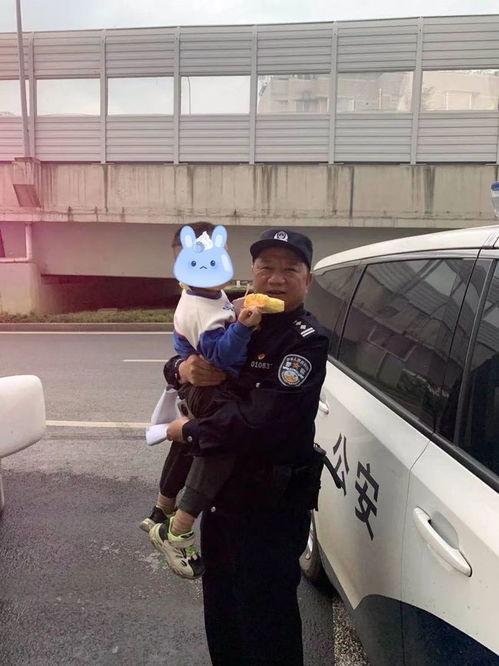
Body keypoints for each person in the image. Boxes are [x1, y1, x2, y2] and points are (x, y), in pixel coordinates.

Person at [160, 228, 329, 666]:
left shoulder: (305, 340)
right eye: (265, 267)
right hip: (222, 500)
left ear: (307, 280)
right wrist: (183, 369)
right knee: (223, 613)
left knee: (266, 620)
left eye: (289, 269)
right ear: (252, 272)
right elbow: (180, 353)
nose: (276, 278)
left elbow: (263, 420)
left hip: (270, 506)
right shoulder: (231, 312)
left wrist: (190, 432)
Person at [147, 223, 263, 579]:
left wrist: (237, 309)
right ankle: (178, 530)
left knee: (192, 439)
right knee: (220, 440)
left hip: (203, 386)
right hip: (208, 387)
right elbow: (220, 356)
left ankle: (161, 510)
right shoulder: (198, 304)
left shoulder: (212, 294)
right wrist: (243, 327)